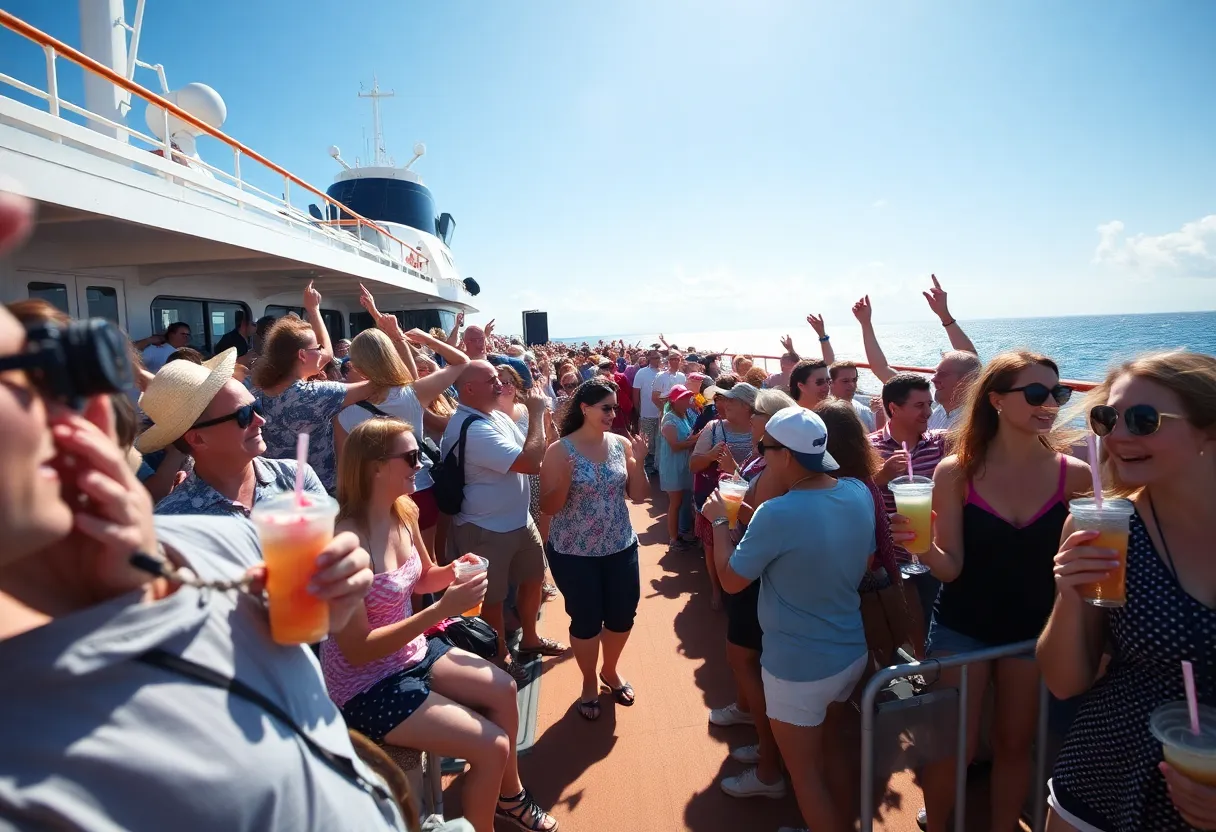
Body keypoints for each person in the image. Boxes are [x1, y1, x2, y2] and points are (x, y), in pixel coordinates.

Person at [0, 211, 404, 827]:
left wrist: (334, 597)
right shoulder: (29, 761)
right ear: (192, 441)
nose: (84, 412)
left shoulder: (220, 537)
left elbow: (304, 631)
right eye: (33, 380)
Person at [324, 418, 557, 832]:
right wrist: (441, 610)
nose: (422, 464)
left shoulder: (405, 511)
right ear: (375, 466)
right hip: (365, 684)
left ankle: (509, 797)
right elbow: (358, 649)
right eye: (412, 456)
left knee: (504, 688)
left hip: (409, 652)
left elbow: (424, 577)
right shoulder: (345, 542)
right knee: (492, 745)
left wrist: (453, 571)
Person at [904, 350, 1088, 832]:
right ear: (996, 400)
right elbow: (950, 569)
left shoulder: (1076, 476)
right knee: (952, 748)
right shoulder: (956, 472)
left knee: (1013, 744)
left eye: (1058, 392)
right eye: (1036, 393)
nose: (1050, 403)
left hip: (1032, 632)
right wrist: (922, 548)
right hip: (962, 627)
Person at [1037, 351, 1216, 832]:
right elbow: (1064, 682)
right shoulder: (1103, 527)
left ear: (1208, 430)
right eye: (1107, 419)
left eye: (1143, 420)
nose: (1115, 437)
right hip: (1103, 775)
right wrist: (1069, 595)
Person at [703, 408, 876, 832]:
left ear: (784, 455)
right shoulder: (857, 491)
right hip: (850, 653)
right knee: (832, 750)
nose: (761, 454)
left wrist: (721, 521)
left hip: (797, 669)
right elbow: (863, 559)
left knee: (805, 776)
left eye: (765, 448)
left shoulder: (777, 513)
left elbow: (731, 581)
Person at [441, 361, 567, 673]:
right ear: (469, 389)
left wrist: (542, 420)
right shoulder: (474, 428)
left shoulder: (494, 415)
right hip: (485, 528)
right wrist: (536, 414)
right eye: (491, 380)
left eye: (499, 378)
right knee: (493, 600)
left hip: (517, 521)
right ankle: (499, 657)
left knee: (534, 578)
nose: (499, 384)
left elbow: (532, 448)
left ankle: (530, 640)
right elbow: (529, 461)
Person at [540, 379, 648, 721]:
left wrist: (640, 461)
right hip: (574, 552)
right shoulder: (559, 451)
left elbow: (639, 495)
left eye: (615, 407)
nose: (613, 414)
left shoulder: (620, 445)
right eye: (606, 408)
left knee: (622, 615)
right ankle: (589, 680)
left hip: (619, 545)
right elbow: (548, 507)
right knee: (586, 620)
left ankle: (610, 670)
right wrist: (565, 481)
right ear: (585, 408)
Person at [708, 388, 796, 801]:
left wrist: (723, 513)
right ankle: (758, 729)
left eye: (757, 413)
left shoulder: (776, 467)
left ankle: (769, 762)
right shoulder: (766, 457)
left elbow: (764, 520)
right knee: (743, 658)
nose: (751, 418)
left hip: (756, 571)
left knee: (743, 657)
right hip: (753, 562)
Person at [135, 349, 329, 516]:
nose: (261, 420)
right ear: (197, 439)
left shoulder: (297, 477)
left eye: (256, 407)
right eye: (243, 415)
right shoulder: (175, 522)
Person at [337, 324, 469, 555]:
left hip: (377, 500)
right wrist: (427, 339)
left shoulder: (344, 413)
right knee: (428, 563)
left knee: (388, 567)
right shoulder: (413, 394)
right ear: (390, 355)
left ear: (357, 366)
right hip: (419, 489)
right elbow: (461, 362)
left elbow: (346, 469)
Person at [253, 281, 374, 492]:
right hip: (318, 492)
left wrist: (313, 310)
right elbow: (375, 386)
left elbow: (325, 354)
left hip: (276, 493)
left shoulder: (257, 394)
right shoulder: (316, 395)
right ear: (301, 355)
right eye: (316, 348)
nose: (321, 351)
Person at [869, 372, 949, 627]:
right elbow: (854, 494)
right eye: (919, 405)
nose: (928, 412)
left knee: (933, 619)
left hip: (934, 554)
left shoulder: (941, 443)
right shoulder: (869, 448)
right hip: (890, 559)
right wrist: (882, 476)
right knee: (903, 623)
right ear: (894, 408)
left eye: (929, 404)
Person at [852, 276, 981, 430]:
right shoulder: (934, 410)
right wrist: (866, 324)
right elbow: (881, 368)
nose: (933, 378)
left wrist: (945, 316)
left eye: (943, 374)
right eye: (936, 372)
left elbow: (970, 359)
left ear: (967, 381)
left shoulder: (974, 417)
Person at [691, 383, 759, 610]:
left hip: (747, 501)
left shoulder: (761, 432)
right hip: (716, 498)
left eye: (732, 400)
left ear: (748, 406)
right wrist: (710, 456)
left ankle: (737, 589)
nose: (725, 403)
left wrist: (732, 467)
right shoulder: (714, 428)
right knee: (712, 546)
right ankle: (716, 588)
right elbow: (693, 464)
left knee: (742, 544)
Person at [657, 384, 701, 552]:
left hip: (682, 466)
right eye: (683, 398)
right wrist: (697, 438)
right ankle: (673, 539)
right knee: (675, 503)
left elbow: (685, 440)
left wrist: (696, 437)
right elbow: (675, 446)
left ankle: (679, 535)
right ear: (675, 401)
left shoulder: (683, 416)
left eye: (687, 397)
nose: (687, 400)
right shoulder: (669, 419)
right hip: (672, 467)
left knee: (682, 502)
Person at [633, 349, 663, 477]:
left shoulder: (663, 373)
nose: (657, 360)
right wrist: (637, 409)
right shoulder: (642, 373)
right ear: (649, 359)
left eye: (659, 358)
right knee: (647, 442)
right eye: (655, 358)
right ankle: (646, 467)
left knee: (659, 441)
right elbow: (636, 392)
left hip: (661, 414)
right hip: (647, 414)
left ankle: (657, 466)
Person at [829, 360, 876, 432]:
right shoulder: (822, 412)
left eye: (854, 380)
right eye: (845, 381)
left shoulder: (865, 412)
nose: (852, 385)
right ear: (830, 383)